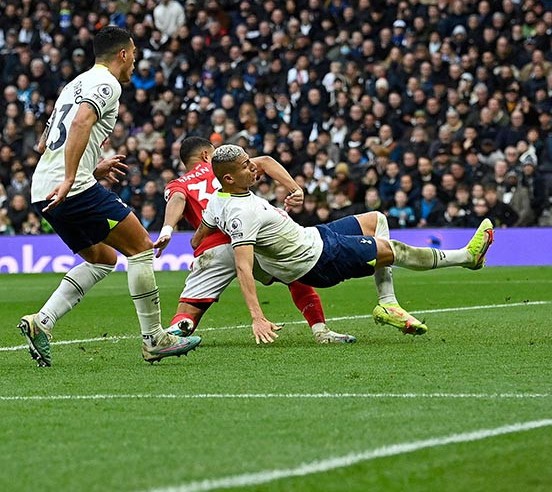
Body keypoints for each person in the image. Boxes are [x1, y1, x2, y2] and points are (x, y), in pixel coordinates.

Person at [19, 26, 201, 365]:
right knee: (141, 247)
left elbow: (45, 143)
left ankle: (42, 322)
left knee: (103, 258)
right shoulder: (108, 84)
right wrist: (72, 176)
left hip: (43, 188)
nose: (135, 62)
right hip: (70, 187)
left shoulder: (74, 84)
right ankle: (154, 339)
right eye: (134, 55)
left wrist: (91, 167)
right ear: (123, 53)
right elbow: (79, 123)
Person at [191, 145, 494, 344]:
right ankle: (467, 257)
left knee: (376, 219)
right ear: (229, 177)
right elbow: (243, 267)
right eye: (246, 166)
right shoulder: (241, 214)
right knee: (393, 251)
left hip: (313, 235)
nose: (253, 168)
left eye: (249, 161)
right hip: (319, 259)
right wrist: (257, 318)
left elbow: (200, 233)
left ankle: (388, 303)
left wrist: (295, 188)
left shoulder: (219, 198)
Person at [153, 137, 356, 344]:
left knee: (189, 310)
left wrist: (167, 229)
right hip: (253, 240)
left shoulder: (178, 184)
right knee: (295, 276)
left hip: (213, 249)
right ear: (206, 155)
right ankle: (321, 331)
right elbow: (266, 161)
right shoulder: (224, 169)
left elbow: (178, 199)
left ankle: (178, 331)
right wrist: (295, 189)